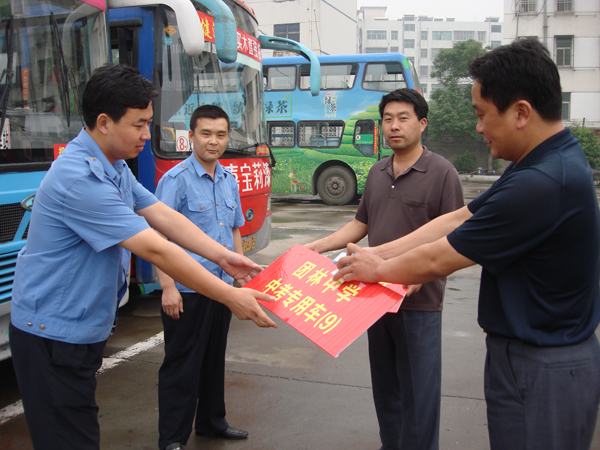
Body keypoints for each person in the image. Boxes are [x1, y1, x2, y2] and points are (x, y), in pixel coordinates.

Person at [334, 39, 600, 450]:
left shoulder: (541, 182)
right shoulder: (537, 164)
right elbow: (459, 218)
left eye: (481, 114)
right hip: (530, 354)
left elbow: (442, 255)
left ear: (521, 112)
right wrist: (378, 253)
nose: (478, 128)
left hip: (542, 363)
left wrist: (378, 269)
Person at [8, 64, 276, 450]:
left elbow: (161, 215)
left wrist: (224, 257)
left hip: (77, 330)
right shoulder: (80, 178)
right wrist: (229, 295)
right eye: (140, 124)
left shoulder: (114, 167)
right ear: (104, 122)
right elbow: (154, 246)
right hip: (51, 333)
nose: (147, 135)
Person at [306, 88, 463, 450]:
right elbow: (360, 224)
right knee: (386, 389)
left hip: (418, 304)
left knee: (419, 394)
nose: (394, 126)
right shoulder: (377, 172)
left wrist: (418, 276)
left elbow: (453, 236)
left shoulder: (442, 173)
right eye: (388, 119)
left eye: (403, 118)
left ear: (422, 123)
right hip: (374, 299)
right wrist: (318, 245)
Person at [155, 105, 248, 450]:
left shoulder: (228, 179)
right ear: (191, 136)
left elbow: (234, 229)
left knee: (213, 358)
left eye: (221, 135)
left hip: (220, 287)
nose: (214, 141)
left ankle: (212, 421)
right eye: (206, 133)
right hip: (187, 289)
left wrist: (238, 276)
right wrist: (168, 287)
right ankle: (173, 438)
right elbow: (158, 239)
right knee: (182, 365)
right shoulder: (175, 180)